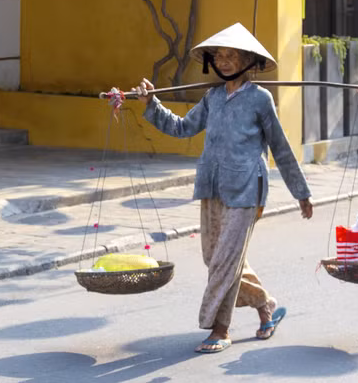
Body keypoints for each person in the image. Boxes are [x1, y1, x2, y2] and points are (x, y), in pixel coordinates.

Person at [134, 23, 313, 354]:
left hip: (247, 189)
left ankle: (220, 328)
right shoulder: (212, 97)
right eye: (220, 55)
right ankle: (265, 305)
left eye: (232, 55)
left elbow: (281, 146)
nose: (225, 61)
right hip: (212, 185)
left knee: (225, 262)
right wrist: (151, 103)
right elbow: (182, 127)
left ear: (248, 60)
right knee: (216, 258)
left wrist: (300, 192)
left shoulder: (260, 99)